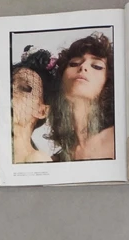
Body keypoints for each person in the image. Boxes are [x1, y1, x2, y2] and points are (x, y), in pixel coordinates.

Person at [48, 32, 115, 161]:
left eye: (97, 66)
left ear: (109, 82)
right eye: (74, 63)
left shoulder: (121, 140)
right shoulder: (54, 161)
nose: (83, 66)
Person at [10, 45, 56, 163]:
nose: (11, 91)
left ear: (42, 111)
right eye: (10, 84)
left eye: (24, 88)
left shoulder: (37, 159)